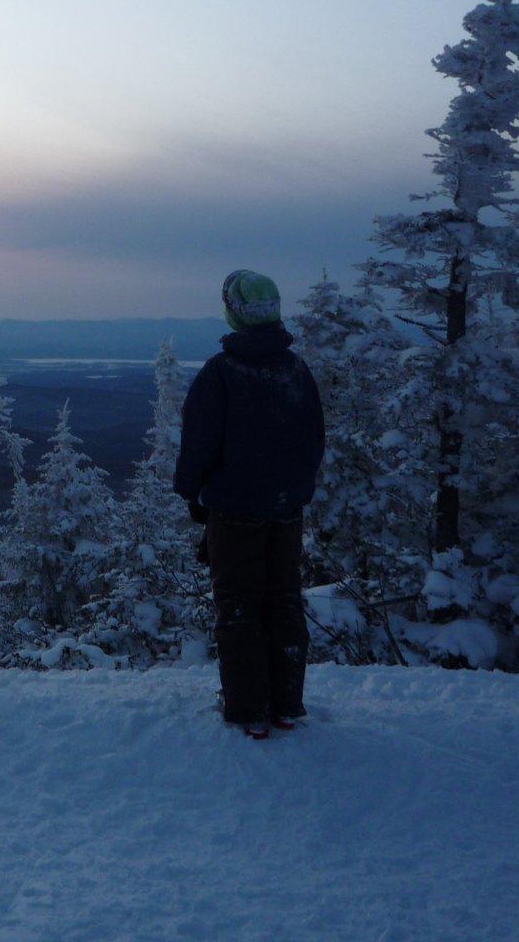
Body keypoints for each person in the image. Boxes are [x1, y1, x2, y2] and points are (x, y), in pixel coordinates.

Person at [174, 270, 325, 739]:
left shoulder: (222, 372)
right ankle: (285, 704)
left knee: (238, 604)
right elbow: (313, 441)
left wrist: (192, 493)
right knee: (282, 600)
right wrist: (295, 492)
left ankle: (248, 710)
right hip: (285, 510)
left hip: (235, 511)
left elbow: (198, 441)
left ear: (233, 312)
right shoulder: (295, 370)